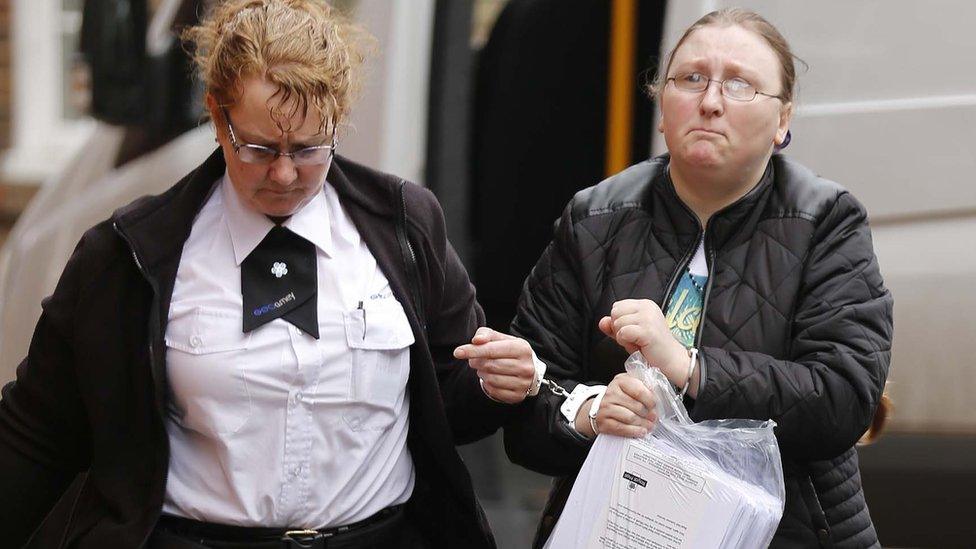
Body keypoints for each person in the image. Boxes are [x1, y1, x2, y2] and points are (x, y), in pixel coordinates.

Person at [0, 1, 534, 547]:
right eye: (257, 149)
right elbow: (38, 432)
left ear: (338, 119)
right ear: (217, 115)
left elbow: (449, 399)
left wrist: (495, 386)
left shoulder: (405, 227)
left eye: (307, 150)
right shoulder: (132, 252)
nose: (282, 174)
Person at [456, 8, 893, 548]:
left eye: (740, 85)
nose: (710, 101)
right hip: (620, 530)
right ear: (661, 106)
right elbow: (529, 417)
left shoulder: (825, 221)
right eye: (691, 78)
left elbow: (843, 398)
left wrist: (689, 369)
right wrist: (591, 413)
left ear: (783, 120)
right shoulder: (594, 218)